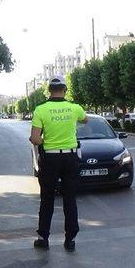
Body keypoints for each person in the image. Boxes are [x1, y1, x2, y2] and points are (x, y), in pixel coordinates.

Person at [29, 76, 88, 251]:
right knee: (70, 199)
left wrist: (42, 140)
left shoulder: (40, 110)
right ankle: (70, 240)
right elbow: (86, 120)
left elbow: (35, 139)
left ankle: (43, 238)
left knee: (47, 199)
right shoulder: (74, 108)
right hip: (70, 159)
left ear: (49, 90)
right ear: (65, 90)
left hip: (50, 160)